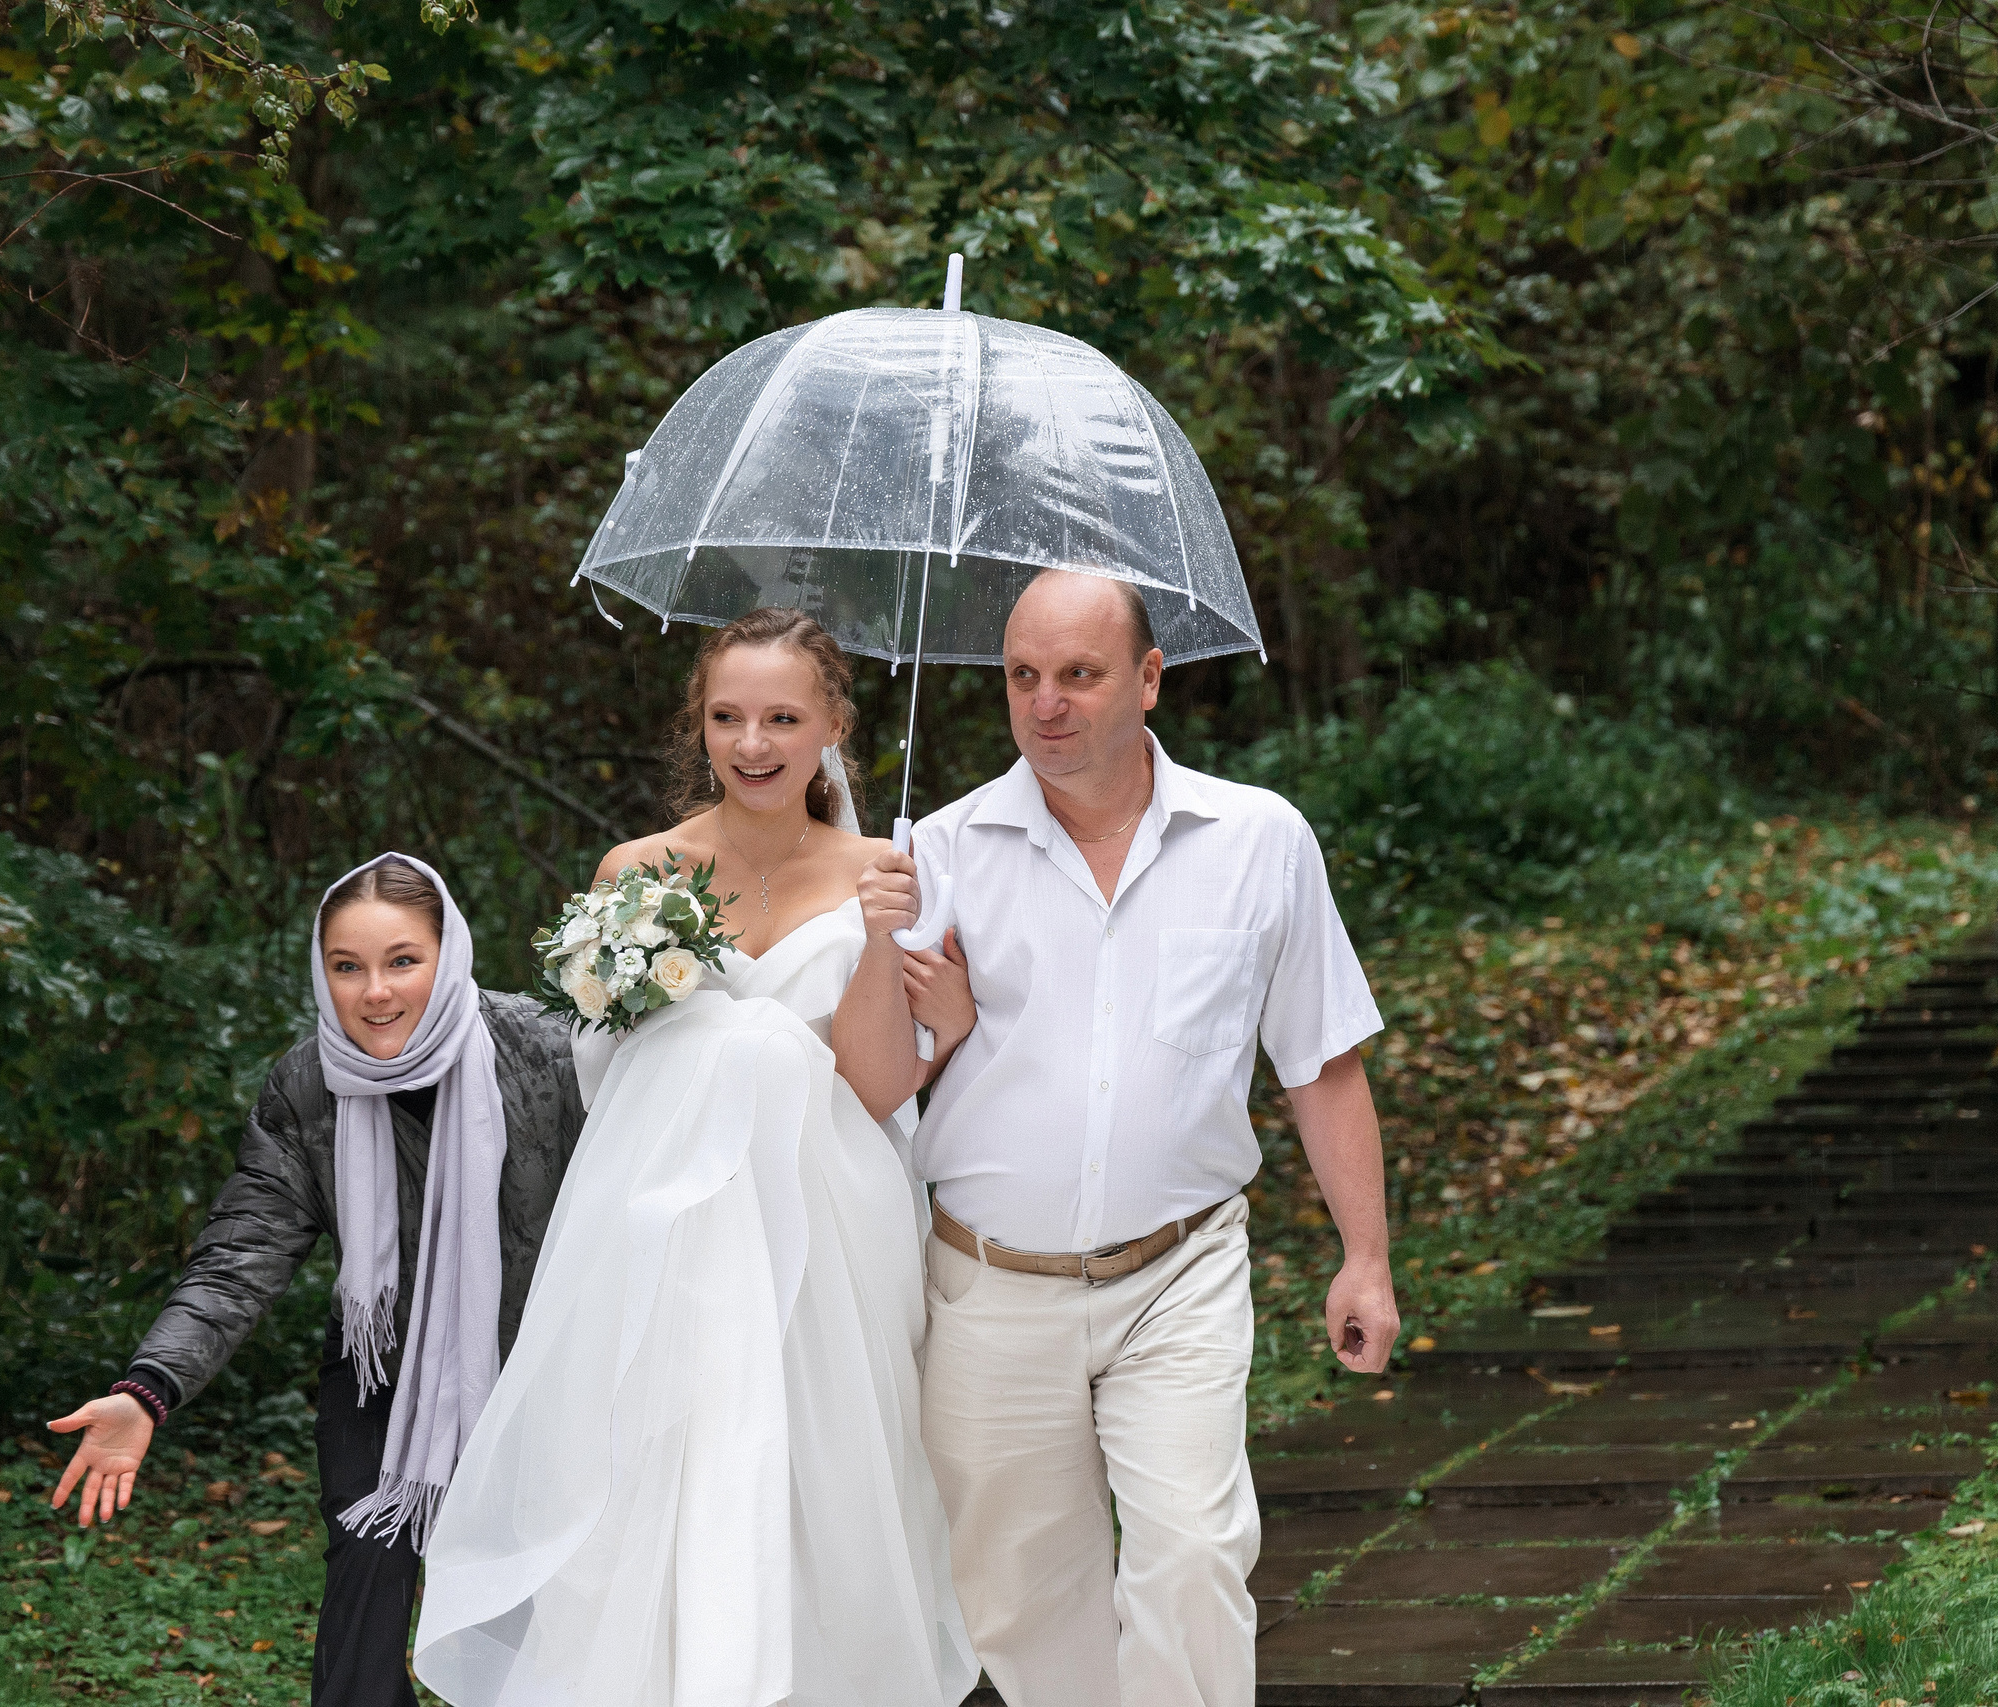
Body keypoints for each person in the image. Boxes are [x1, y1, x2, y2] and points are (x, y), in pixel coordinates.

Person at [847, 568, 1397, 1707]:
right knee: (1016, 1596)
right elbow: (878, 1079)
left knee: (1193, 1559)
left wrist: (1367, 1257)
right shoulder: (937, 853)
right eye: (1021, 677)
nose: (1046, 703)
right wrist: (903, 981)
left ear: (1148, 680)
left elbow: (1321, 1058)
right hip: (987, 1281)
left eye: (1079, 675)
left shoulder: (1258, 839)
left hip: (1178, 1272)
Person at [413, 606, 981, 1707]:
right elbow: (604, 1069)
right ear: (699, 727)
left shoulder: (888, 871)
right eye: (727, 716)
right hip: (664, 1223)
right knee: (657, 1472)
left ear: (831, 727)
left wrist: (880, 937)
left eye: (780, 716)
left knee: (807, 1472)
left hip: (823, 1222)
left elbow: (869, 1087)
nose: (752, 743)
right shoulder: (635, 870)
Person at [47, 852, 585, 1707]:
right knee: (367, 1574)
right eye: (348, 966)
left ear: (450, 956)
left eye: (402, 960)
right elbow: (240, 1252)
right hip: (382, 1370)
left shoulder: (547, 1048)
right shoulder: (308, 1086)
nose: (375, 991)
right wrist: (148, 1388)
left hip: (536, 1374)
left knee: (541, 1608)